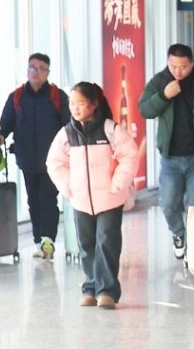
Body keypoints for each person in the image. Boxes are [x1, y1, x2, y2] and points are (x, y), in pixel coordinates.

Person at [46, 82, 139, 309]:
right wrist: (68, 187)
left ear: (94, 104)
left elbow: (130, 156)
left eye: (81, 104)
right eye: (72, 104)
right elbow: (54, 162)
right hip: (80, 201)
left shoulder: (110, 129)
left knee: (106, 242)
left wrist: (117, 184)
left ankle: (107, 290)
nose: (75, 109)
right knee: (86, 245)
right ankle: (90, 287)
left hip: (109, 198)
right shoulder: (67, 133)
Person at [138, 43, 194, 261]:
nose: (178, 71)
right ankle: (179, 234)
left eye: (183, 67)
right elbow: (144, 110)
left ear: (192, 63)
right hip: (170, 158)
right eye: (173, 66)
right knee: (168, 203)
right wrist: (164, 95)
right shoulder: (160, 81)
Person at [0, 52, 70, 259]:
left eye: (40, 69)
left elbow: (69, 126)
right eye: (32, 68)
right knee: (33, 200)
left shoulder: (57, 96)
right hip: (27, 158)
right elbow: (6, 123)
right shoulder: (17, 97)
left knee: (48, 198)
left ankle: (48, 240)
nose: (35, 72)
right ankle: (38, 240)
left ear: (48, 72)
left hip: (53, 160)